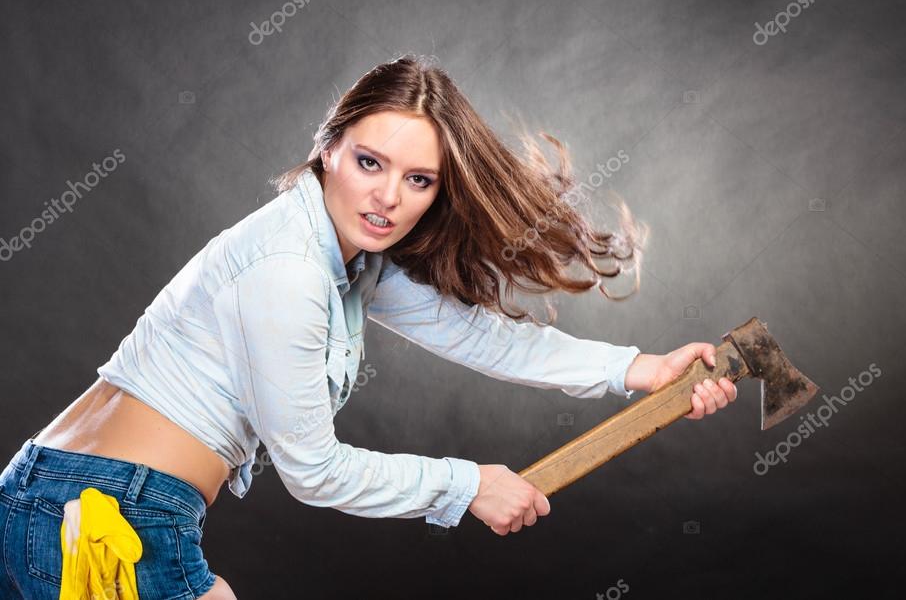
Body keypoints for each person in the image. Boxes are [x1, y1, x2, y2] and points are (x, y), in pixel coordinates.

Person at [0, 55, 737, 599]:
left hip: (56, 491)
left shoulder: (348, 259)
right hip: (103, 515)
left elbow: (476, 335)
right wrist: (468, 485)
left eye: (417, 180)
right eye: (368, 162)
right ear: (327, 149)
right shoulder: (290, 268)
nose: (387, 197)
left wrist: (640, 369)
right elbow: (313, 471)